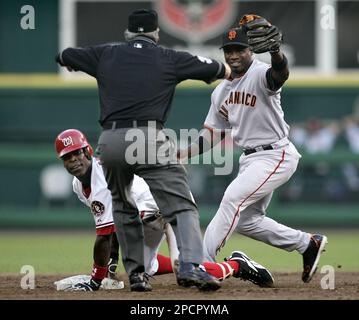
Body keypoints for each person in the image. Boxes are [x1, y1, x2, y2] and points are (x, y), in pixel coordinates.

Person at [55, 8, 233, 292]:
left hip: (110, 141)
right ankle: (189, 265)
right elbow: (218, 70)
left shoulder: (106, 54)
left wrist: (80, 62)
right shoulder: (169, 57)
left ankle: (137, 275)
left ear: (127, 34)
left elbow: (65, 55)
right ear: (156, 34)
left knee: (123, 207)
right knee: (181, 205)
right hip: (149, 137)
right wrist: (227, 69)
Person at [178, 15, 327, 284]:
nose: (234, 55)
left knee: (232, 198)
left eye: (239, 49)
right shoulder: (221, 91)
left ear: (250, 51)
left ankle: (203, 262)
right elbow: (211, 135)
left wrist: (276, 51)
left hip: (276, 154)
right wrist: (182, 154)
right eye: (229, 51)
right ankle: (307, 244)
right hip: (251, 159)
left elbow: (279, 74)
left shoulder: (260, 73)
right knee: (247, 220)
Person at [55, 129, 275, 291]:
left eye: (77, 153)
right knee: (146, 268)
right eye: (67, 157)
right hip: (147, 218)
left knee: (187, 272)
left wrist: (95, 280)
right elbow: (111, 228)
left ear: (88, 151)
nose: (74, 160)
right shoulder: (79, 185)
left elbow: (104, 237)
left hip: (169, 207)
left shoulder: (102, 175)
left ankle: (237, 265)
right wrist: (109, 269)